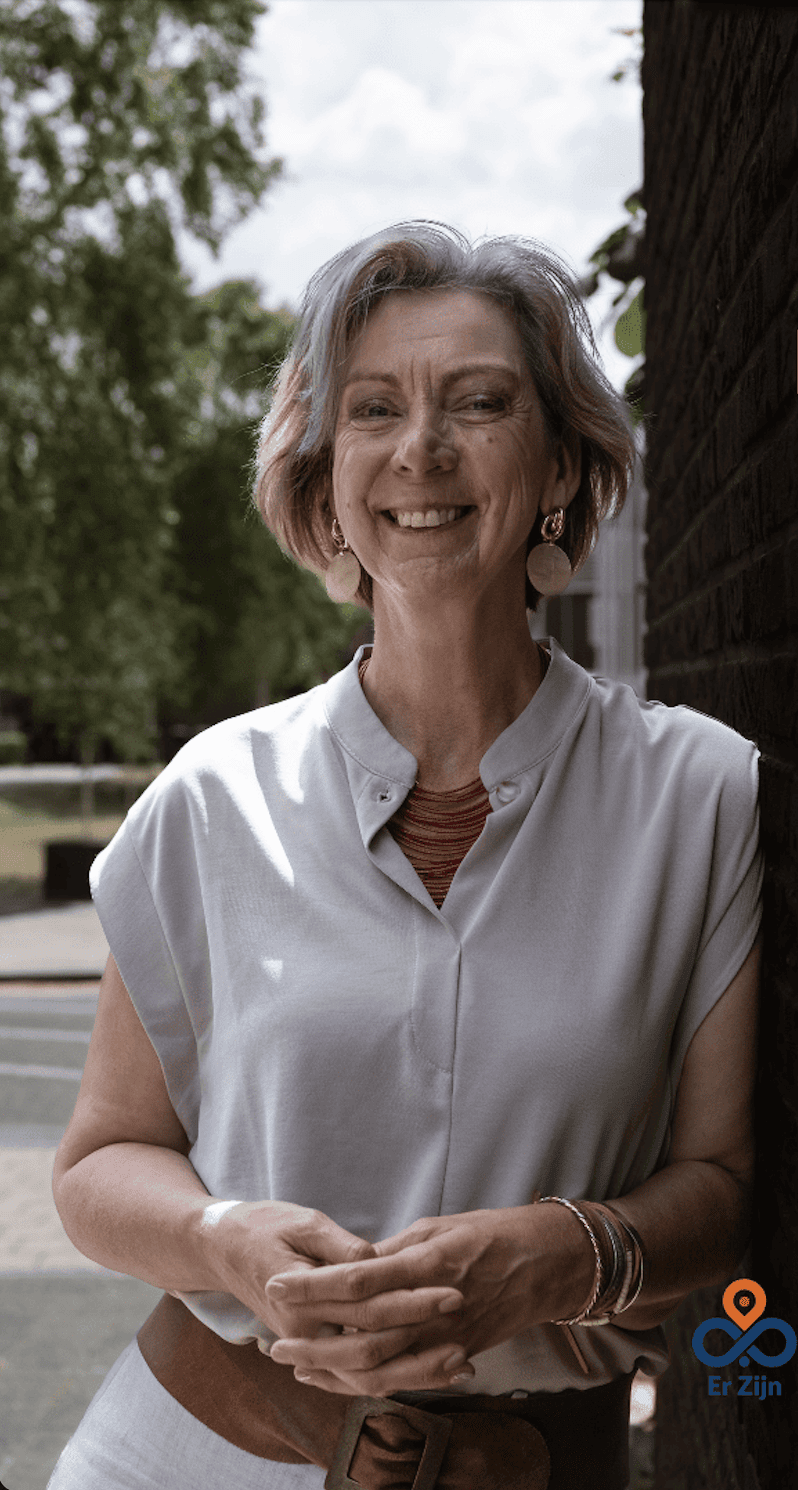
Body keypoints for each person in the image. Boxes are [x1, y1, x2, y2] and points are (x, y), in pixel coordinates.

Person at [48, 222, 762, 1490]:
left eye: (477, 402)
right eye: (373, 408)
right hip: (182, 1449)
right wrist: (225, 1238)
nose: (420, 448)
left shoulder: (705, 797)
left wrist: (570, 1251)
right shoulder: (210, 794)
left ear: (560, 462)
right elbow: (99, 1164)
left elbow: (727, 1185)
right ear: (328, 478)